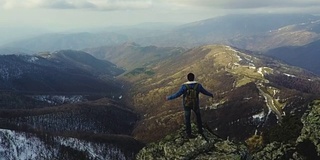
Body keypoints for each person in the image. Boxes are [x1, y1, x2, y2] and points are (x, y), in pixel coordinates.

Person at [166, 73, 213, 138]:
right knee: (198, 117)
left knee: (187, 119)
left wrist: (169, 97)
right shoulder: (198, 85)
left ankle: (189, 133)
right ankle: (200, 130)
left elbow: (177, 94)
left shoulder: (184, 86)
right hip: (195, 104)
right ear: (194, 77)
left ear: (187, 78)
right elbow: (204, 91)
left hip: (186, 104)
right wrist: (210, 94)